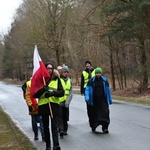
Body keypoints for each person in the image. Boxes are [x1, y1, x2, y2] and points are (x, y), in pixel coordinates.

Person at [33, 62, 64, 150]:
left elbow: (62, 93)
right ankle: (48, 145)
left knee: (54, 126)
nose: (49, 70)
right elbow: (35, 95)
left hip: (54, 106)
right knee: (45, 127)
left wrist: (52, 93)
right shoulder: (40, 80)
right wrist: (43, 89)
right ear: (44, 69)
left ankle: (56, 145)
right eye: (47, 68)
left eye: (51, 68)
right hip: (43, 107)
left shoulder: (56, 79)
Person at [84, 67, 112, 133]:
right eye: (97, 73)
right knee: (94, 114)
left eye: (99, 73)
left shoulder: (104, 81)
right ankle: (94, 126)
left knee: (105, 113)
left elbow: (108, 91)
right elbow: (87, 89)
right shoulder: (91, 81)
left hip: (103, 100)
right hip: (94, 100)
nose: (98, 74)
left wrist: (109, 100)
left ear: (101, 73)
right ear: (95, 74)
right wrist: (87, 97)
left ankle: (105, 127)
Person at [58, 64, 73, 139]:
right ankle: (61, 130)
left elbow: (71, 93)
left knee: (65, 116)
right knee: (60, 116)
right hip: (59, 102)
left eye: (67, 72)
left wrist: (68, 101)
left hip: (66, 102)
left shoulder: (70, 81)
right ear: (61, 72)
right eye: (64, 72)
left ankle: (65, 129)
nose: (66, 73)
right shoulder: (58, 80)